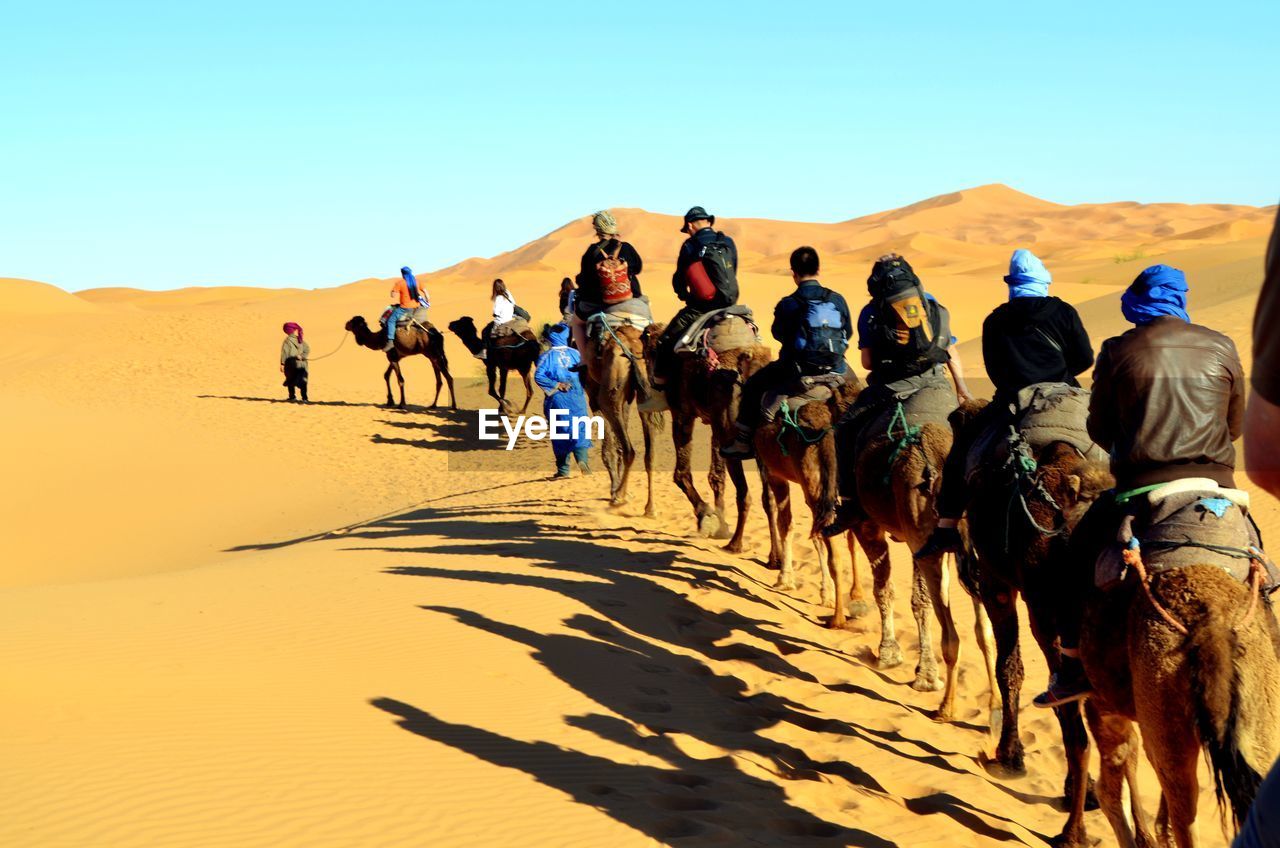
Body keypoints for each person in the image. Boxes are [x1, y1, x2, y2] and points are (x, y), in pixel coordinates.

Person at [1034, 264, 1245, 708]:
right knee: (1255, 561)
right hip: (1216, 487)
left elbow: (1100, 427)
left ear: (1137, 301)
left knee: (1074, 560)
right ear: (1181, 298)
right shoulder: (1222, 345)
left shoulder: (1117, 350)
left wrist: (1134, 443)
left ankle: (1071, 666)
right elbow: (1235, 425)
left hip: (1141, 488)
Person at [914, 249, 1094, 559]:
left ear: (1012, 284)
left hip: (1012, 403)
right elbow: (1084, 358)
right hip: (1065, 397)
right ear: (1043, 282)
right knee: (1113, 444)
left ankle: (946, 527)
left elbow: (994, 369)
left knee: (963, 450)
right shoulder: (1063, 312)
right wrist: (1058, 374)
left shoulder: (996, 318)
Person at [822, 254, 970, 535]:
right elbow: (950, 351)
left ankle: (850, 504)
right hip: (937, 385)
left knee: (844, 431)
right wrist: (961, 389)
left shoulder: (872, 311)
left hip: (891, 388)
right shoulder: (934, 306)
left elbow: (866, 363)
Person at [720, 246, 850, 459]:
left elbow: (778, 334)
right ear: (818, 269)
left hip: (797, 372)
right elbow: (848, 332)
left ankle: (743, 441)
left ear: (794, 273)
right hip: (836, 369)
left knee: (753, 385)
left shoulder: (788, 304)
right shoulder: (837, 300)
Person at [652, 206, 739, 387]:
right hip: (731, 304)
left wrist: (685, 296)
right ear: (709, 222)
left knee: (664, 342)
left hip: (701, 308)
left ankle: (659, 388)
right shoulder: (728, 242)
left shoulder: (690, 245)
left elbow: (679, 281)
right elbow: (733, 271)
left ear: (690, 225)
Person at [570, 211, 644, 353]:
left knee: (576, 323)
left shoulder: (592, 252)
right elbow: (638, 268)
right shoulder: (627, 247)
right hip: (631, 300)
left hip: (599, 303)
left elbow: (584, 281)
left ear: (597, 230)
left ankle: (584, 360)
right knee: (647, 317)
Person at [1246, 206, 1280, 499]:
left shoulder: (1117, 348)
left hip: (1139, 470)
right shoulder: (1219, 344)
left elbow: (1268, 459)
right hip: (1215, 468)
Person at [534, 323, 593, 478]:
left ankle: (563, 470)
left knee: (560, 431)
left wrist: (556, 385)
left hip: (557, 399)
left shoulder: (545, 357)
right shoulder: (577, 354)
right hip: (576, 397)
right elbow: (588, 372)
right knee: (580, 426)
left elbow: (538, 376)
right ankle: (583, 461)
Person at [477, 279, 525, 360]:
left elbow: (496, 312)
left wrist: (495, 314)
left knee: (485, 331)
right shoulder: (508, 293)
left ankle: (484, 352)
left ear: (495, 288)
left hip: (501, 321)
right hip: (510, 319)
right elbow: (514, 304)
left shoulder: (499, 298)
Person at [385, 266, 427, 352]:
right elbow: (427, 294)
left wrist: (392, 291)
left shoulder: (400, 283)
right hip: (417, 307)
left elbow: (393, 296)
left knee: (391, 321)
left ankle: (390, 342)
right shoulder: (417, 282)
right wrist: (427, 301)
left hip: (405, 308)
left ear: (402, 274)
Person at [280, 322, 310, 402]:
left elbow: (285, 352)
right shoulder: (300, 339)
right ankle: (305, 398)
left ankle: (292, 397)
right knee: (303, 381)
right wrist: (302, 356)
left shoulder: (287, 341)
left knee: (290, 380)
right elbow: (307, 349)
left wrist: (282, 364)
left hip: (291, 364)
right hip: (302, 364)